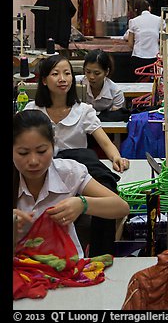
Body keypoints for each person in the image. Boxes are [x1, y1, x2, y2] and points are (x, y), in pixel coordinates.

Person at [24, 54, 130, 256]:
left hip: (76, 171)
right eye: (55, 74)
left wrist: (116, 157)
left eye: (67, 73)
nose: (62, 79)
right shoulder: (33, 110)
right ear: (44, 80)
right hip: (43, 172)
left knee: (107, 192)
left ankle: (100, 254)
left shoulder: (83, 111)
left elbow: (105, 141)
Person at [13, 110, 130, 257]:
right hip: (20, 268)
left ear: (53, 146)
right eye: (23, 153)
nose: (34, 161)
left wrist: (82, 204)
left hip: (66, 265)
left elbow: (121, 207)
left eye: (42, 151)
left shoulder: (68, 173)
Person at [127, 0, 168, 81]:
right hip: (154, 58)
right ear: (149, 8)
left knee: (138, 84)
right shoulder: (158, 20)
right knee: (154, 84)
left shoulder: (133, 21)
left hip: (138, 57)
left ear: (136, 10)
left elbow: (130, 43)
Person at [75, 49, 127, 121]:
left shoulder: (116, 92)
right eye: (88, 71)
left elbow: (116, 117)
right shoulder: (75, 83)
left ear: (106, 72)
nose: (91, 77)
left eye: (97, 73)